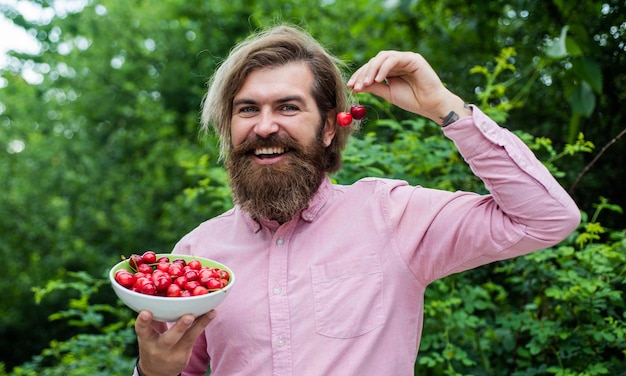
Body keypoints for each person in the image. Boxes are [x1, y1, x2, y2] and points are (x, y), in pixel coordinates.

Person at [133, 24, 580, 376]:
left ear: (329, 127)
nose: (264, 126)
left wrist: (443, 106)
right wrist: (153, 372)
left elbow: (546, 219)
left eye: (288, 108)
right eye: (247, 109)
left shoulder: (392, 215)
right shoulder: (197, 256)